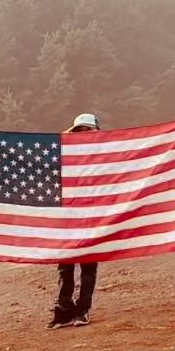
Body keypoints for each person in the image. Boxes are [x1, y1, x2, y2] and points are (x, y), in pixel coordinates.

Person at [50, 113, 102, 328]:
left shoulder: (106, 154)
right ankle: (63, 309)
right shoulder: (65, 154)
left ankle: (83, 309)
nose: (83, 135)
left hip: (92, 218)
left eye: (88, 130)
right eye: (79, 131)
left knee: (88, 267)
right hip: (68, 218)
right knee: (65, 266)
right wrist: (65, 140)